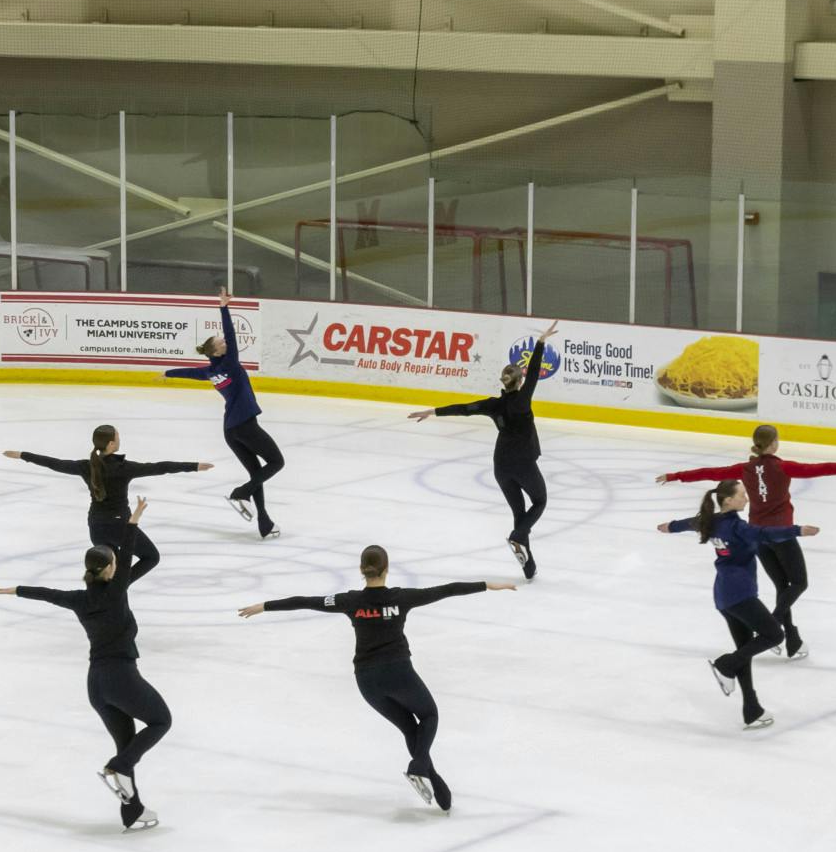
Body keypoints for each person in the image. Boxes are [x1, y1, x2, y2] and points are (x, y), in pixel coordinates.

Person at [238, 545, 514, 811]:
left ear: (362, 569)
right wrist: (488, 584)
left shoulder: (349, 601)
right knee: (429, 715)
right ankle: (418, 766)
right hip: (398, 672)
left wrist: (265, 605)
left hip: (367, 682)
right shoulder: (401, 598)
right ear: (386, 568)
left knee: (410, 729)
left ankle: (438, 787)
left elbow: (306, 602)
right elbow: (446, 590)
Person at [0, 497, 165, 830]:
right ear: (112, 568)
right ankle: (118, 766)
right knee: (160, 721)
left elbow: (48, 593)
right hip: (121, 677)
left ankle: (133, 810)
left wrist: (17, 589)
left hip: (96, 685)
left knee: (127, 744)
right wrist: (135, 518)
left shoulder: (79, 599)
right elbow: (130, 550)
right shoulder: (116, 591)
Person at [655, 425, 836, 661]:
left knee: (783, 587)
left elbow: (711, 472)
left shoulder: (746, 469)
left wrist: (676, 476)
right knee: (799, 583)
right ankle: (776, 625)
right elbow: (821, 469)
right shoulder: (782, 466)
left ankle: (792, 639)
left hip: (757, 536)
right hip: (780, 534)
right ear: (773, 444)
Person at [657, 481, 819, 731]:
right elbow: (764, 534)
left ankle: (751, 709)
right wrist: (797, 530)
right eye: (742, 495)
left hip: (723, 594)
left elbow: (686, 524)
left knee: (745, 649)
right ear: (729, 500)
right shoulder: (737, 527)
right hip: (741, 594)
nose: (746, 499)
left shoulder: (710, 520)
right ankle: (726, 664)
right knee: (774, 635)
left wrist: (669, 527)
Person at [408, 321, 560, 578]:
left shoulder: (493, 405)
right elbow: (534, 372)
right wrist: (541, 343)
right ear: (520, 382)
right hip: (523, 463)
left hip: (500, 466)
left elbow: (465, 409)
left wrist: (433, 411)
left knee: (519, 513)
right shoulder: (522, 401)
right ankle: (518, 537)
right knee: (540, 501)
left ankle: (528, 566)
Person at [1, 425, 211, 582]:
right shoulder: (123, 468)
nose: (119, 440)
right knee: (151, 557)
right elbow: (159, 467)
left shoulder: (87, 466)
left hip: (96, 526)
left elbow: (55, 463)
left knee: (112, 569)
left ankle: (113, 590)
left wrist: (23, 455)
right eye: (117, 438)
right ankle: (120, 586)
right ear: (111, 444)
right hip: (121, 525)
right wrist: (193, 466)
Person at [163, 286, 283, 538]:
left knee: (256, 474)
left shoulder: (209, 371)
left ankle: (264, 522)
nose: (226, 341)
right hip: (246, 426)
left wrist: (166, 373)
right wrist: (224, 307)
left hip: (231, 430)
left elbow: (188, 373)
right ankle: (241, 492)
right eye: (222, 342)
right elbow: (231, 332)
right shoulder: (228, 362)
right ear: (217, 351)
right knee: (276, 462)